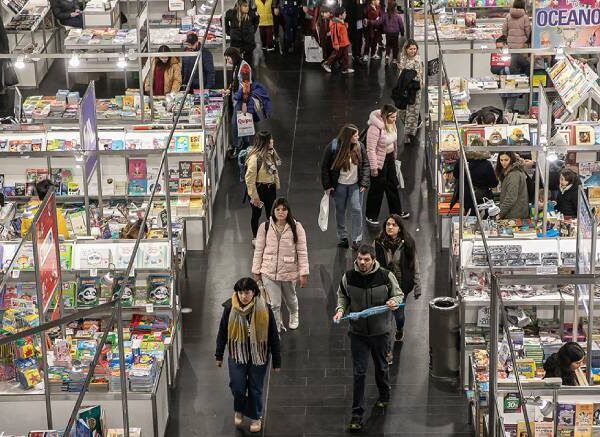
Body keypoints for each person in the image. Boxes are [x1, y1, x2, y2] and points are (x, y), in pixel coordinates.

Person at [333, 244, 403, 432]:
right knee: (359, 373)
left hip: (381, 333)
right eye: (359, 259)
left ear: (373, 259)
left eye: (366, 259)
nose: (362, 263)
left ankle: (384, 394)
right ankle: (357, 415)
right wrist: (340, 310)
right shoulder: (348, 277)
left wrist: (393, 302)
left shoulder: (386, 276)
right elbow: (343, 297)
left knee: (381, 367)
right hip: (358, 334)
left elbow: (398, 294)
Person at [215, 277, 281, 433]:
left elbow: (273, 335)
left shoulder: (265, 309)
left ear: (254, 292)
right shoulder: (230, 307)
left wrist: (277, 361)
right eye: (240, 293)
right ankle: (239, 408)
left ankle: (256, 416)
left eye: (247, 292)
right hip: (237, 353)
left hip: (259, 354)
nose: (244, 296)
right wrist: (218, 355)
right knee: (237, 386)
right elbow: (222, 332)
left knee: (255, 388)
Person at [252, 197, 309, 332]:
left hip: (288, 271)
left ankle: (294, 315)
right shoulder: (264, 227)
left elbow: (302, 251)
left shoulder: (297, 227)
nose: (281, 212)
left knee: (290, 299)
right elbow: (258, 250)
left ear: (288, 211)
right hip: (268, 271)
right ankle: (276, 325)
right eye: (278, 209)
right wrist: (256, 270)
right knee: (274, 304)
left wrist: (303, 273)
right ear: (273, 211)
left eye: (284, 209)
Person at [374, 214, 420, 349]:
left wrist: (418, 286)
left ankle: (399, 329)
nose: (390, 227)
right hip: (383, 286)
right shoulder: (378, 242)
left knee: (399, 315)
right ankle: (387, 352)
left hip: (401, 287)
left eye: (393, 225)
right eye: (388, 224)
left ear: (399, 228)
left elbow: (415, 265)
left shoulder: (408, 243)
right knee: (386, 320)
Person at [321, 124, 370, 250]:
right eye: (355, 135)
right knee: (340, 211)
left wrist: (364, 183)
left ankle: (356, 239)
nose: (358, 137)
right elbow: (325, 167)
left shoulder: (359, 146)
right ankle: (343, 236)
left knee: (356, 209)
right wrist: (327, 186)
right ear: (348, 136)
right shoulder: (333, 147)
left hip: (355, 185)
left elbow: (365, 164)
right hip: (339, 186)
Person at [365, 104, 409, 225]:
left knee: (392, 185)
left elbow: (393, 142)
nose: (395, 119)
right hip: (379, 161)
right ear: (386, 116)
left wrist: (394, 157)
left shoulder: (391, 124)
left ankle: (396, 212)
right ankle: (371, 215)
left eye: (396, 116)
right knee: (377, 188)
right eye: (393, 117)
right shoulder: (374, 129)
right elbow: (371, 149)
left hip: (389, 158)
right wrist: (374, 167)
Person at [244, 131, 281, 242]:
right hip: (259, 189)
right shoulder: (255, 159)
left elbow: (275, 170)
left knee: (272, 213)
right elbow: (249, 179)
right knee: (256, 214)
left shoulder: (271, 153)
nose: (272, 141)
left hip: (271, 188)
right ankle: (255, 237)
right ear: (265, 142)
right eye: (270, 140)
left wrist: (276, 183)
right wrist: (254, 196)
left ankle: (272, 235)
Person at [449, 142, 499, 216]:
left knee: (469, 217)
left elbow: (456, 175)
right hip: (482, 197)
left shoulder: (462, 161)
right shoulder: (486, 164)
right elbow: (494, 183)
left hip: (465, 195)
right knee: (483, 218)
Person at [394, 39, 423, 145]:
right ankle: (415, 124)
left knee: (412, 112)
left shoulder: (417, 60)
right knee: (401, 110)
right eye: (411, 49)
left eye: (415, 49)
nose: (413, 51)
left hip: (413, 90)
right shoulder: (403, 59)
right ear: (406, 49)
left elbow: (417, 76)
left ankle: (408, 134)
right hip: (403, 89)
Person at [495, 151, 530, 219]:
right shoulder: (512, 171)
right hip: (516, 212)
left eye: (506, 160)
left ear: (512, 159)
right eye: (501, 160)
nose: (503, 163)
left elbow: (510, 198)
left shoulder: (514, 174)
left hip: (514, 215)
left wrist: (500, 214)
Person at [501, 0, 531, 76]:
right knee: (523, 65)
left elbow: (504, 30)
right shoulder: (525, 17)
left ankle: (512, 82)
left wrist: (508, 38)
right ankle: (523, 82)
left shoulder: (508, 16)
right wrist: (525, 40)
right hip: (522, 47)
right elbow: (528, 31)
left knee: (512, 65)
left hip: (511, 46)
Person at [321, 7, 354, 74]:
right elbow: (334, 35)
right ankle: (327, 64)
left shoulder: (340, 22)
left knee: (345, 56)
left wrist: (345, 25)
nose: (346, 14)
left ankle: (345, 68)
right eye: (344, 13)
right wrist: (336, 43)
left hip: (345, 42)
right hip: (340, 43)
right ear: (340, 15)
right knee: (335, 55)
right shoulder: (336, 23)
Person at [381, 0, 404, 66]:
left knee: (388, 45)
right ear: (395, 7)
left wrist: (370, 21)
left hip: (388, 33)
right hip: (395, 33)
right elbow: (401, 25)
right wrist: (402, 33)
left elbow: (380, 21)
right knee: (395, 46)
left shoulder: (385, 15)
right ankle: (394, 59)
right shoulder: (397, 16)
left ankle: (387, 56)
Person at [343, 0, 366, 66]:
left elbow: (362, 9)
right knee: (352, 39)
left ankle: (357, 55)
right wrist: (345, 21)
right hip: (351, 22)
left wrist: (364, 18)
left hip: (359, 21)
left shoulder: (361, 1)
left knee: (359, 39)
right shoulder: (348, 2)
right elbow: (344, 9)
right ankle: (353, 56)